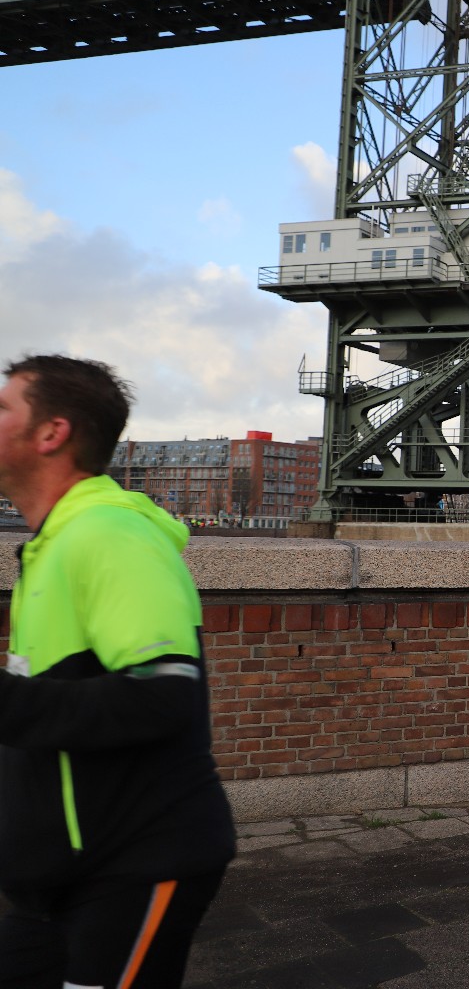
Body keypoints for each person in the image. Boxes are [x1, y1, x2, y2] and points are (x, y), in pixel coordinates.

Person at [0, 355, 236, 987]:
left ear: (51, 433)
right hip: (55, 878)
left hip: (134, 863)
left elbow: (163, 698)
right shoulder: (52, 543)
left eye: (3, 407)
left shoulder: (108, 535)